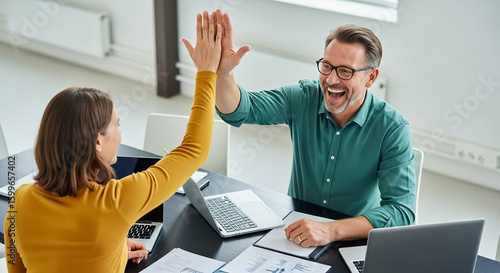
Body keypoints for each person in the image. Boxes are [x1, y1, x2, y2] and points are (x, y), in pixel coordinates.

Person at [4, 11, 221, 272]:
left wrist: (113, 249)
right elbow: (193, 150)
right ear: (97, 142)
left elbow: (19, 268)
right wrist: (207, 73)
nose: (120, 134)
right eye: (117, 125)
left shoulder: (21, 201)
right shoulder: (116, 202)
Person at [213, 10, 416, 247]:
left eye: (345, 71)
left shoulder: (392, 128)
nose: (331, 80)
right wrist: (222, 74)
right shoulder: (304, 97)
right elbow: (240, 110)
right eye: (327, 66)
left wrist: (331, 231)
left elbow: (401, 212)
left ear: (371, 78)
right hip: (296, 232)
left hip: (352, 238)